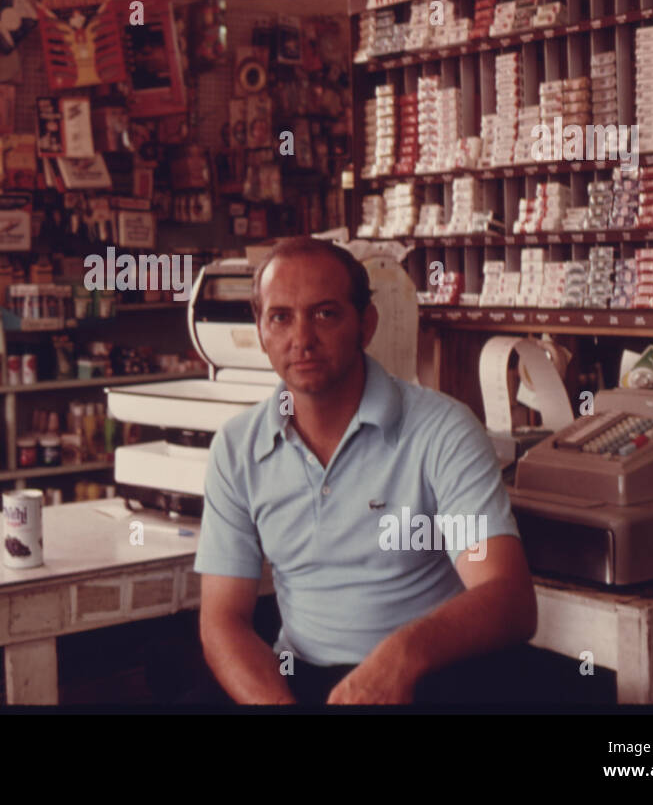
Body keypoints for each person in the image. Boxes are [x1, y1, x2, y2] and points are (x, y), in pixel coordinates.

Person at [195, 237, 538, 705]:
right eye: (281, 317)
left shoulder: (442, 431)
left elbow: (509, 598)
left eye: (325, 314)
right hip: (302, 684)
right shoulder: (236, 449)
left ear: (366, 324)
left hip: (427, 681)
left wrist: (401, 655)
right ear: (260, 330)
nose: (302, 339)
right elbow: (222, 621)